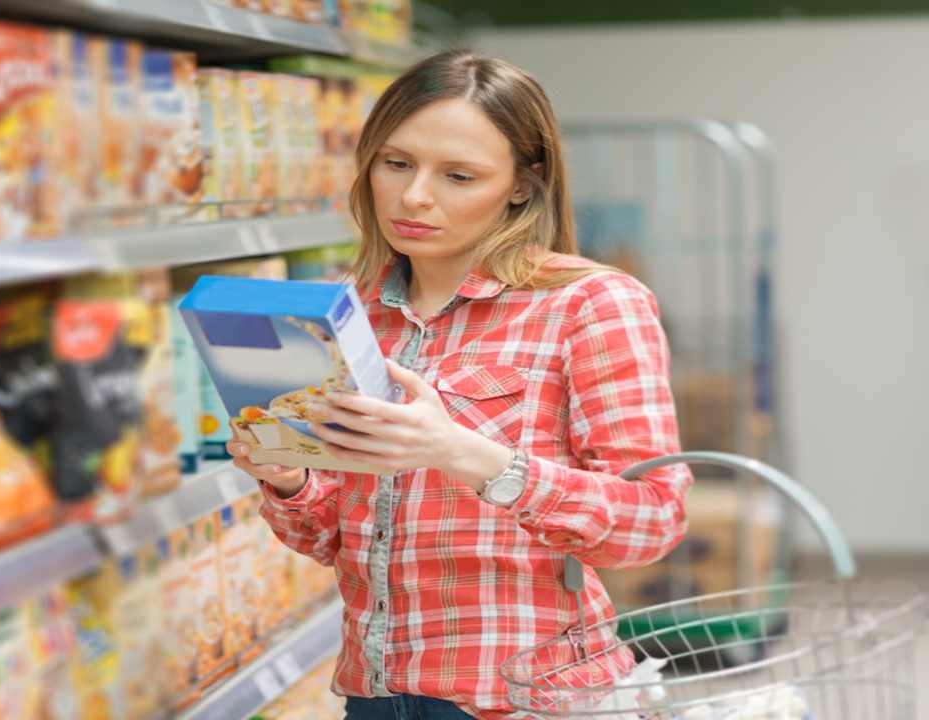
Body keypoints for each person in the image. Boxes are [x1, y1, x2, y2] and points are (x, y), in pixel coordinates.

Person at [228, 50, 693, 720]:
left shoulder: (590, 304)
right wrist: (287, 478)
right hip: (377, 695)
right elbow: (339, 540)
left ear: (521, 186)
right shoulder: (348, 315)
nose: (415, 195)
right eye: (396, 163)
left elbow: (650, 522)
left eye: (459, 176)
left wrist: (459, 452)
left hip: (524, 699)